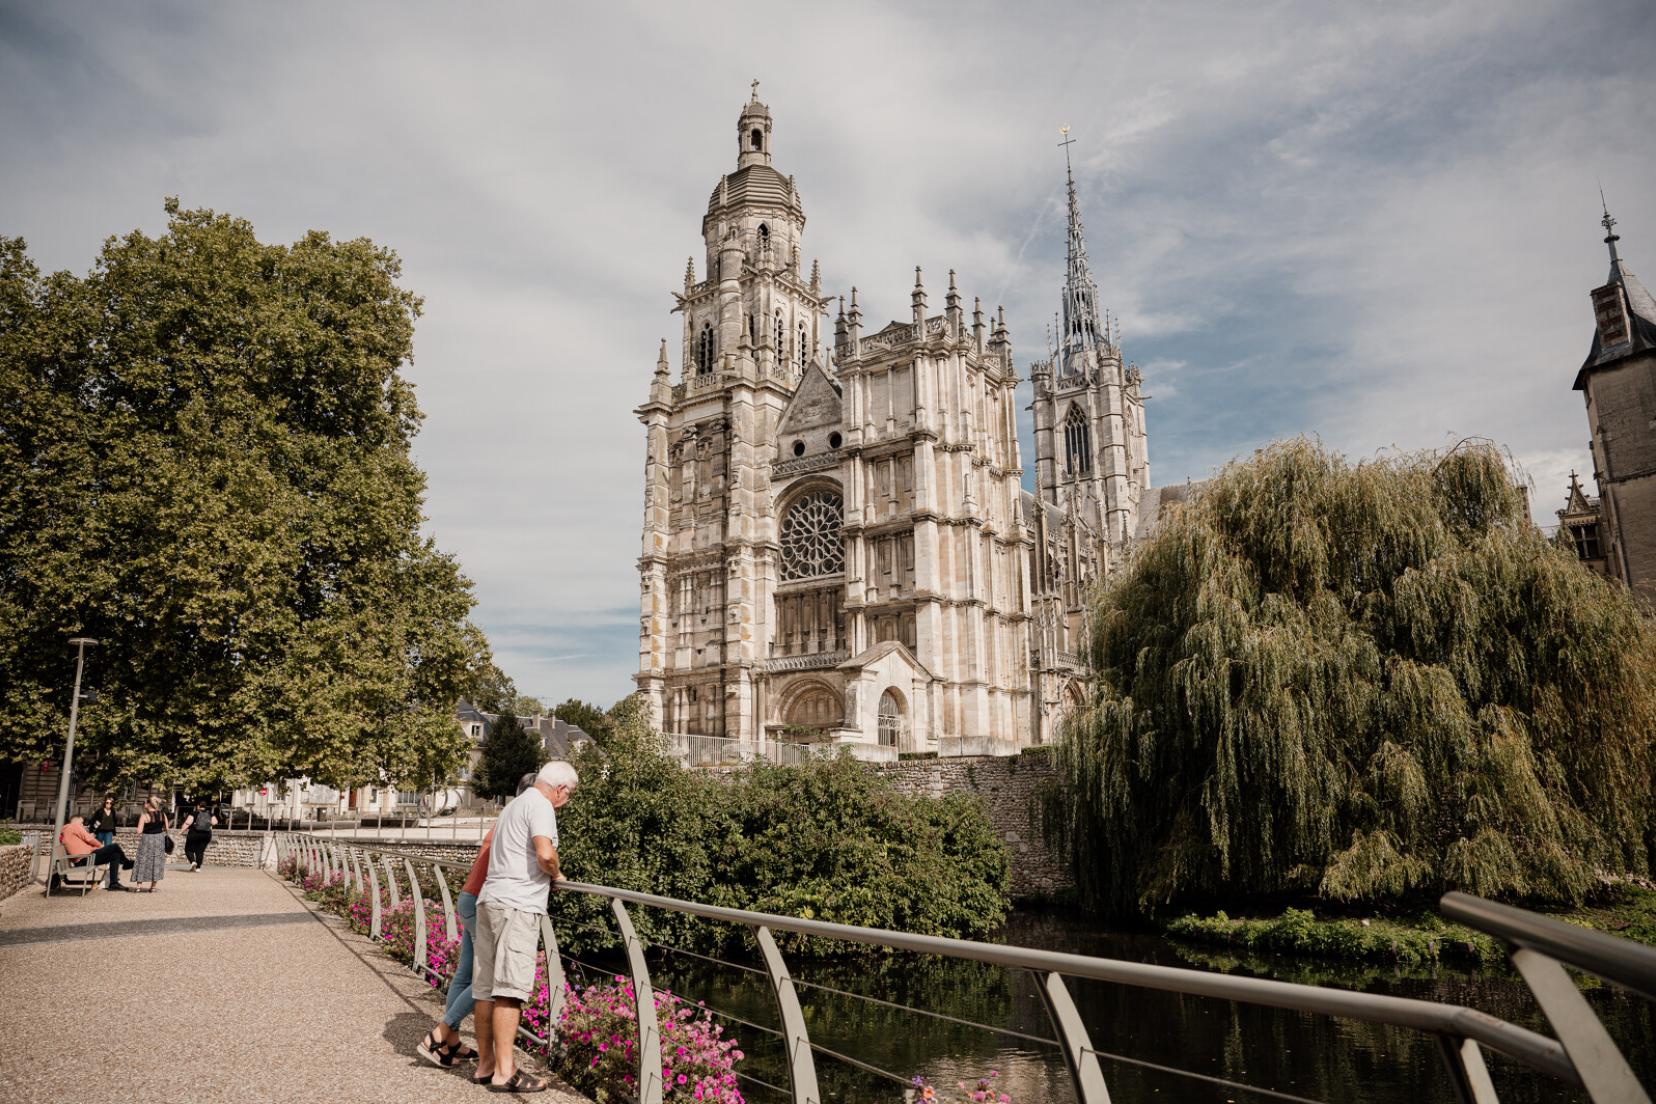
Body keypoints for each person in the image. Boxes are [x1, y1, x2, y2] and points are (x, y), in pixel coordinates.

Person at [417, 772, 539, 1073]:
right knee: (484, 980)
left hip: (470, 896)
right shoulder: (520, 823)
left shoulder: (505, 820)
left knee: (466, 974)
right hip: (483, 901)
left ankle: (451, 1042)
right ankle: (440, 1034)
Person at [473, 760, 577, 1094]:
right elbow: (545, 854)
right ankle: (506, 1072)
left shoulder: (513, 805)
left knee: (485, 989)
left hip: (490, 900)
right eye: (569, 794)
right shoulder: (541, 805)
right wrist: (557, 875)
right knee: (509, 990)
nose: (567, 801)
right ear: (559, 789)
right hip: (517, 906)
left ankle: (485, 1065)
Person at [59, 815, 135, 891]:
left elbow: (83, 843)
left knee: (115, 855)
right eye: (81, 822)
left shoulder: (66, 831)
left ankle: (114, 884)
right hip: (86, 859)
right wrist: (101, 845)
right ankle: (126, 863)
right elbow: (89, 839)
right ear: (75, 821)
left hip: (85, 858)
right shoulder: (74, 826)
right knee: (114, 846)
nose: (83, 825)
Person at [132, 796, 169, 891]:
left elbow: (139, 831)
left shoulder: (144, 816)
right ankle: (153, 886)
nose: (144, 805)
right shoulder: (162, 814)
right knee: (157, 861)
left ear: (149, 804)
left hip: (147, 839)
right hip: (159, 839)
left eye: (145, 803)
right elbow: (167, 828)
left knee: (142, 860)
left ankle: (139, 886)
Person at [179, 799, 218, 871]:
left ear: (198, 806)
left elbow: (188, 823)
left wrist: (181, 831)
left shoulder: (194, 813)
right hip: (206, 834)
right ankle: (198, 868)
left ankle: (193, 862)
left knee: (189, 849)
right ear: (205, 806)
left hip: (194, 833)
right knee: (200, 851)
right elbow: (215, 822)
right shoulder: (210, 814)